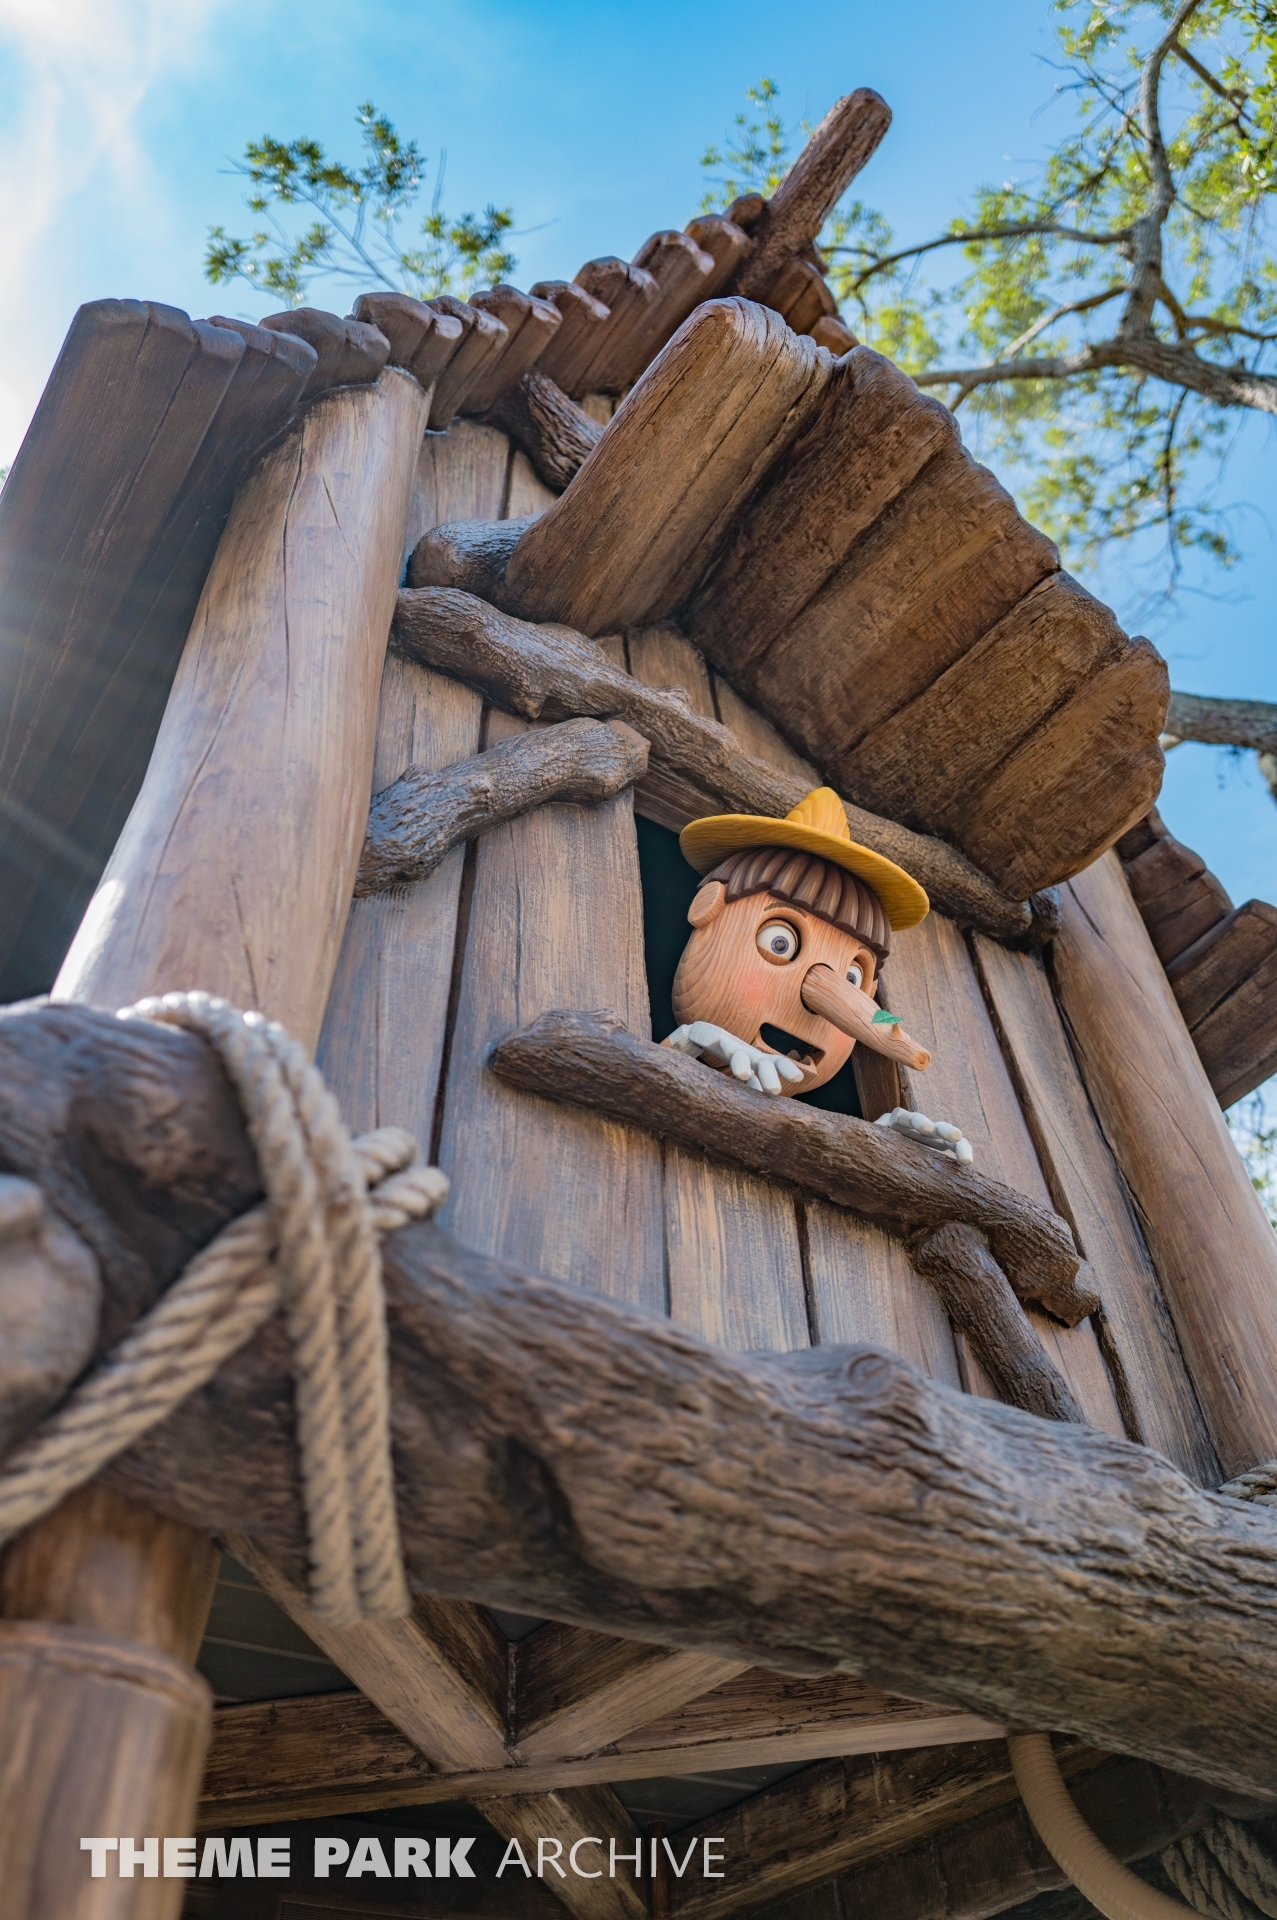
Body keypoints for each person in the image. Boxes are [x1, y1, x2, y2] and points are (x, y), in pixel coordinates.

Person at [663, 786, 972, 1163]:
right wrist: (686, 1042)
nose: (817, 1001)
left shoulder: (877, 1015)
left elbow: (881, 1019)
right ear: (707, 909)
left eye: (853, 978)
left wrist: (880, 1146)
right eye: (780, 943)